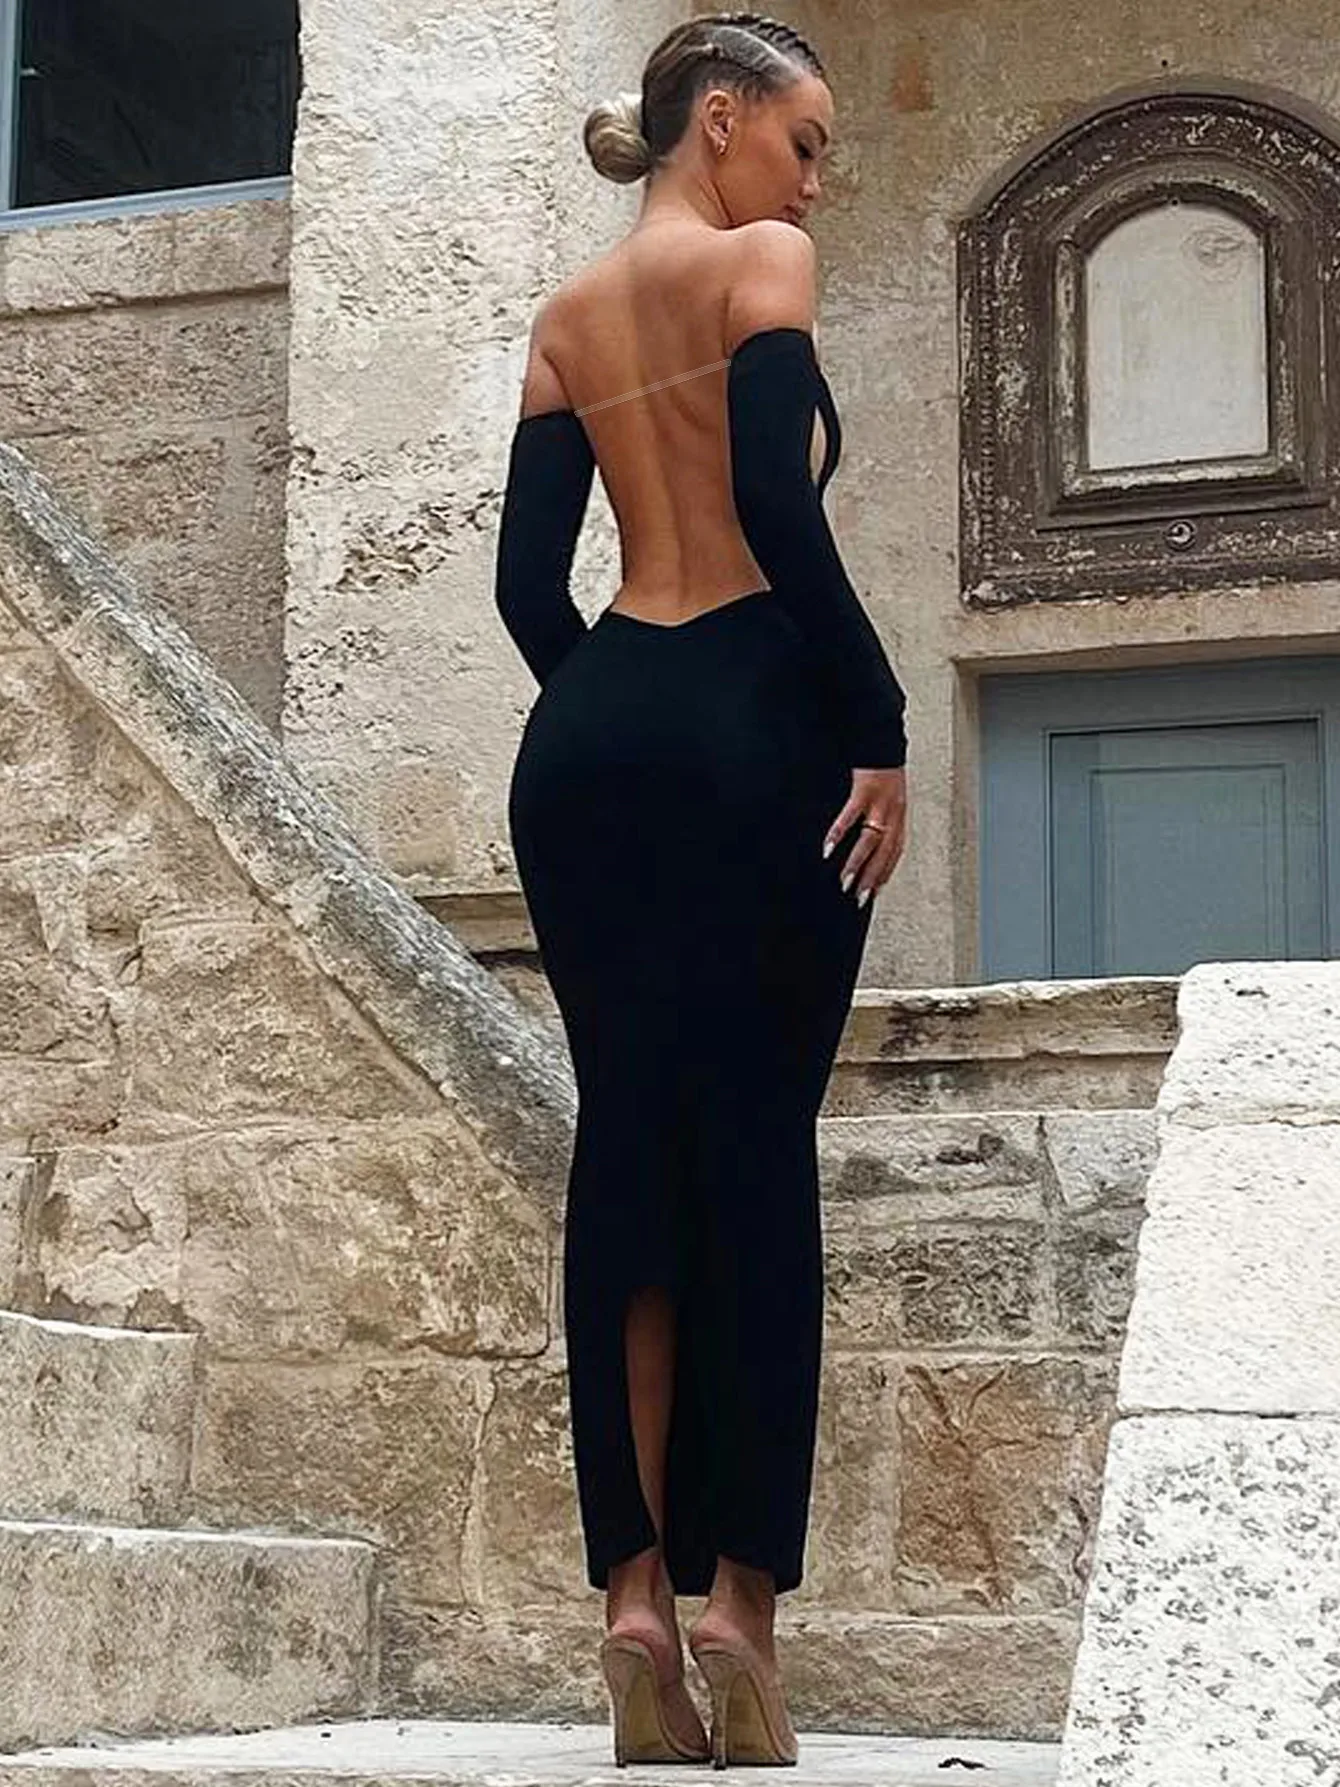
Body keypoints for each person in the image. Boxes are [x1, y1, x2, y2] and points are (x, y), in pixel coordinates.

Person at [493, 11, 909, 1768]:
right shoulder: (761, 264)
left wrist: (619, 706)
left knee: (626, 1153)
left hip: (593, 739)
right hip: (759, 719)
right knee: (751, 1153)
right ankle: (739, 1604)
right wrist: (876, 726)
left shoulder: (567, 315)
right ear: (720, 121)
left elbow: (528, 587)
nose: (815, 183)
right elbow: (771, 506)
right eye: (805, 142)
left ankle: (631, 1604)